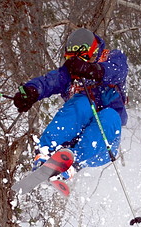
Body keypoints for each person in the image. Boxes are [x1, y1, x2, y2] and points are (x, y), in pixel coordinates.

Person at [13, 28, 128, 180]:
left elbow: (117, 70)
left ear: (93, 51)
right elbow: (50, 81)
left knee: (109, 116)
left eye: (84, 58)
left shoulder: (112, 57)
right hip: (73, 138)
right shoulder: (70, 73)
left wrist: (93, 70)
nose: (79, 63)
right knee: (81, 103)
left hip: (103, 145)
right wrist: (31, 91)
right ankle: (47, 151)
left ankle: (73, 163)